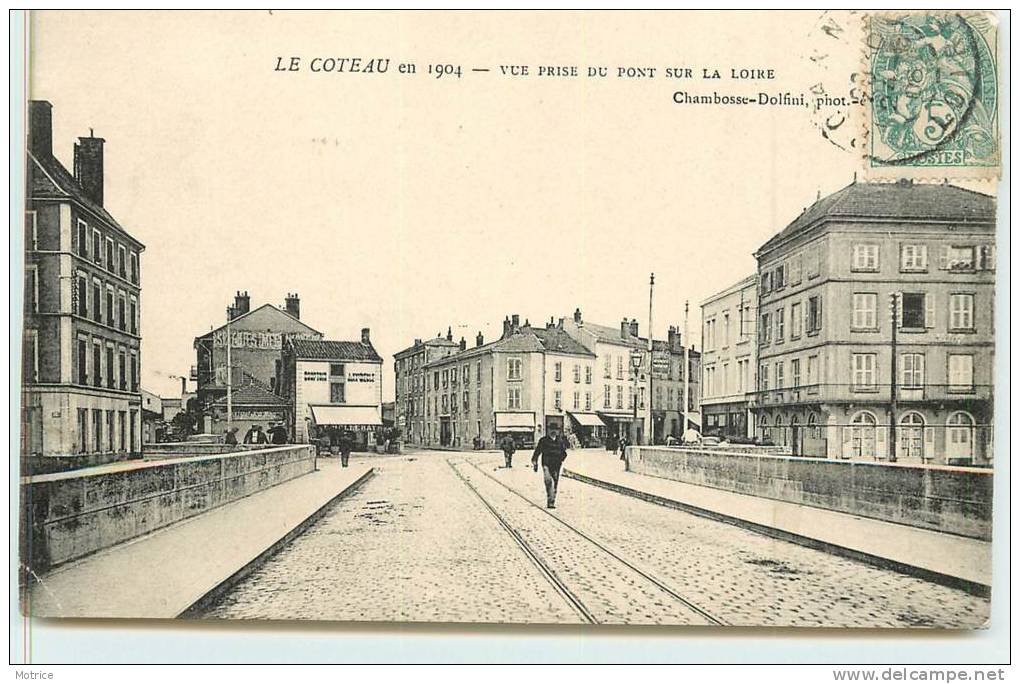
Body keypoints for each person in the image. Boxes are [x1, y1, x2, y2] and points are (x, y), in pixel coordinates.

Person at [532, 427, 569, 509]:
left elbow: (564, 453)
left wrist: (561, 459)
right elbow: (537, 451)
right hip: (546, 464)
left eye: (555, 430)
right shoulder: (543, 440)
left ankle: (551, 501)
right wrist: (535, 461)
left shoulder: (560, 441)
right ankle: (550, 499)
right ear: (548, 431)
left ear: (558, 431)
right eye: (551, 430)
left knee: (555, 482)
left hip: (556, 465)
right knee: (548, 480)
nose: (553, 431)